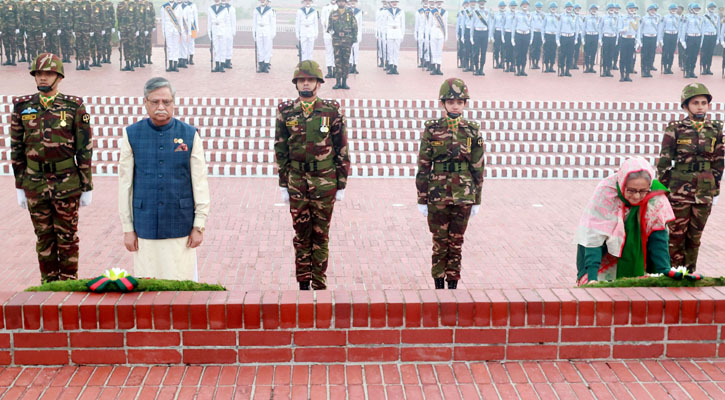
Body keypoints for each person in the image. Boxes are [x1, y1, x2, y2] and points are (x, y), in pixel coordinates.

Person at [11, 53, 93, 284]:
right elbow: (16, 149)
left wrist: (87, 185)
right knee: (44, 237)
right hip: (35, 182)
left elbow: (84, 149)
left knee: (67, 237)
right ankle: (48, 286)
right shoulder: (22, 106)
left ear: (59, 76)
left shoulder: (74, 107)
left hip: (66, 182)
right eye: (39, 73)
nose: (43, 78)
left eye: (48, 73)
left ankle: (68, 284)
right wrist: (20, 186)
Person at [118, 77, 210, 281]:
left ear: (173, 103)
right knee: (148, 286)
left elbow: (200, 182)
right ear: (145, 103)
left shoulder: (189, 134)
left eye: (166, 102)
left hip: (181, 224)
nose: (161, 107)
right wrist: (128, 229)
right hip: (145, 224)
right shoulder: (132, 134)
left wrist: (199, 225)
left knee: (181, 285)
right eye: (155, 102)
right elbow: (125, 185)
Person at [274, 60, 350, 290]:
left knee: (321, 234)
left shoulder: (331, 110)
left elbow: (342, 147)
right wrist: (284, 184)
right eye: (301, 80)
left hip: (324, 180)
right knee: (301, 233)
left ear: (318, 83)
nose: (306, 83)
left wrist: (341, 183)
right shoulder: (286, 111)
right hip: (297, 179)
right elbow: (281, 148)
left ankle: (319, 282)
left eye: (310, 80)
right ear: (296, 84)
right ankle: (303, 283)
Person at [416, 78, 484, 290]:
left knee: (456, 241)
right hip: (438, 193)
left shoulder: (472, 130)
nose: (455, 105)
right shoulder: (432, 129)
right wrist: (422, 198)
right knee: (439, 241)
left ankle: (453, 283)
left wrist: (477, 199)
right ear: (442, 103)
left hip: (464, 193)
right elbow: (424, 165)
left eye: (460, 101)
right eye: (451, 101)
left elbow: (478, 166)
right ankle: (438, 283)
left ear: (465, 104)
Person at [575, 157, 675, 286]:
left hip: (639, 255)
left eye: (642, 191)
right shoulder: (606, 192)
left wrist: (664, 271)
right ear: (622, 184)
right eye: (631, 191)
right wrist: (592, 278)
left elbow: (658, 237)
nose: (637, 196)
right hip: (605, 256)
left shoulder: (655, 197)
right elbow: (593, 236)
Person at [656, 83, 723, 273]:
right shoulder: (675, 128)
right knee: (676, 235)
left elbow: (719, 161)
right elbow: (664, 161)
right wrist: (664, 188)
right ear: (686, 106)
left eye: (704, 103)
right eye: (695, 103)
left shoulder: (715, 129)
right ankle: (672, 272)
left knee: (695, 236)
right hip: (679, 188)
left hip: (704, 189)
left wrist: (715, 188)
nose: (700, 106)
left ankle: (690, 272)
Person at [328, 0, 356, 89]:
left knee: (346, 61)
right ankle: (337, 82)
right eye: (339, 1)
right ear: (337, 3)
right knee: (337, 61)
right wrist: (333, 33)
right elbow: (329, 26)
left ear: (345, 3)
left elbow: (354, 26)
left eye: (343, 1)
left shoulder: (350, 13)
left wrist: (354, 39)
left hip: (347, 40)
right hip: (337, 40)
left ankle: (344, 82)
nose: (341, 3)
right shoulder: (333, 13)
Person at [679, 3, 703, 78]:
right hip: (690, 38)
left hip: (697, 38)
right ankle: (687, 71)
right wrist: (682, 41)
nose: (697, 10)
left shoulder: (701, 18)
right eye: (695, 9)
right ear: (692, 9)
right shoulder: (687, 18)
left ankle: (692, 71)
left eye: (698, 9)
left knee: (694, 56)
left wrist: (701, 41)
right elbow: (684, 29)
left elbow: (702, 29)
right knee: (688, 56)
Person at [617, 2, 638, 82]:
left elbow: (637, 31)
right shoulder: (622, 18)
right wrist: (623, 30)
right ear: (627, 9)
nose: (632, 10)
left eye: (633, 8)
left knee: (630, 58)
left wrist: (638, 41)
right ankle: (622, 75)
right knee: (623, 58)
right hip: (624, 39)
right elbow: (619, 29)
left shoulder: (636, 18)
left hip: (632, 40)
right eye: (630, 8)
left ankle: (627, 75)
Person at [253, 0, 276, 73]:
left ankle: (266, 65)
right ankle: (261, 65)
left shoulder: (270, 10)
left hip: (267, 30)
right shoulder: (256, 10)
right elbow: (254, 23)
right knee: (260, 48)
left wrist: (273, 33)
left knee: (267, 48)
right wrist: (254, 33)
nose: (262, 1)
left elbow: (273, 23)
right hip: (259, 29)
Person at [208, 0, 231, 72]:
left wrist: (227, 33)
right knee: (216, 48)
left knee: (223, 48)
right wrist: (209, 32)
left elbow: (227, 22)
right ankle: (217, 65)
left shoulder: (224, 9)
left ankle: (222, 65)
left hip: (222, 30)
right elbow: (209, 22)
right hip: (214, 30)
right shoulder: (210, 8)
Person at [637, 4, 659, 78]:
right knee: (645, 55)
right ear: (648, 10)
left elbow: (659, 29)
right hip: (646, 37)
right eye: (652, 10)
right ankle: (643, 70)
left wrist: (658, 40)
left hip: (653, 37)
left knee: (651, 54)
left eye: (654, 10)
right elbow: (640, 29)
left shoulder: (657, 18)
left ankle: (648, 70)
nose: (653, 11)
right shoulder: (643, 18)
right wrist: (639, 39)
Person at [658, 4, 680, 75]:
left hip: (674, 35)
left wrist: (678, 38)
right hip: (667, 35)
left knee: (671, 53)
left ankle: (669, 67)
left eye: (675, 9)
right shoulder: (665, 17)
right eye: (672, 9)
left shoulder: (678, 18)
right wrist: (660, 39)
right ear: (669, 10)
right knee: (665, 52)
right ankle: (665, 67)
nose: (673, 10)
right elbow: (661, 29)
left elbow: (680, 28)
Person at [161, 0, 183, 72]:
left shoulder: (178, 6)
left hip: (176, 28)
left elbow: (180, 20)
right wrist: (163, 31)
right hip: (168, 28)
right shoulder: (164, 7)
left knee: (176, 46)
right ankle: (170, 65)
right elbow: (163, 20)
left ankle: (175, 65)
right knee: (169, 47)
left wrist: (180, 30)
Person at [557, 2, 577, 77]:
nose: (569, 8)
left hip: (571, 37)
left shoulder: (574, 17)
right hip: (563, 37)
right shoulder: (561, 16)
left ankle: (567, 70)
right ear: (565, 8)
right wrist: (557, 39)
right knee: (562, 54)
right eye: (568, 7)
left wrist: (575, 38)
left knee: (570, 55)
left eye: (571, 7)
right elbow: (558, 28)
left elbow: (576, 28)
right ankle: (562, 70)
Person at [512, 0, 531, 76]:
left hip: (526, 35)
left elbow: (531, 27)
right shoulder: (517, 14)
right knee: (518, 53)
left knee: (524, 53)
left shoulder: (530, 15)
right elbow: (513, 26)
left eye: (526, 5)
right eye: (523, 4)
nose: (525, 6)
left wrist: (531, 38)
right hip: (518, 34)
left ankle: (523, 69)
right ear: (521, 6)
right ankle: (518, 70)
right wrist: (512, 38)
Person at [384, 0, 404, 74]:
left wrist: (402, 34)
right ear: (391, 3)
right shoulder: (387, 11)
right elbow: (385, 24)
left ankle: (395, 67)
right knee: (390, 50)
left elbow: (403, 24)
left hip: (398, 32)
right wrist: (385, 34)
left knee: (396, 51)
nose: (394, 3)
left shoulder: (401, 11)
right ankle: (391, 66)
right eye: (393, 2)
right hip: (390, 32)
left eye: (395, 2)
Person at [700, 2, 719, 75]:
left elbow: (718, 28)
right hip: (706, 36)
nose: (712, 9)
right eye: (711, 7)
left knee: (710, 53)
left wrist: (717, 38)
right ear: (708, 8)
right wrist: (701, 40)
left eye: (713, 7)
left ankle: (708, 68)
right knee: (704, 53)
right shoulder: (704, 16)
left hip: (713, 36)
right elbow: (702, 28)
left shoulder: (716, 16)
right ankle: (704, 68)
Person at [429, 0, 447, 75]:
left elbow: (445, 24)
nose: (439, 3)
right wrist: (429, 35)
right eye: (437, 2)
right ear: (435, 3)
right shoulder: (432, 12)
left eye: (440, 2)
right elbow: (429, 25)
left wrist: (445, 35)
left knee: (439, 51)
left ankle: (439, 68)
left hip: (441, 33)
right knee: (433, 51)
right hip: (433, 32)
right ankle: (433, 68)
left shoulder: (445, 12)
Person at [581, 4, 600, 74]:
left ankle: (592, 67)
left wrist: (599, 38)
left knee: (593, 52)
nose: (594, 10)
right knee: (587, 52)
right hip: (588, 36)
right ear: (590, 10)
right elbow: (583, 28)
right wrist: (582, 38)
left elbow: (600, 28)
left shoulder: (598, 18)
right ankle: (587, 67)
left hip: (595, 36)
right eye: (593, 9)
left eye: (595, 9)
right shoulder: (586, 18)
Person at [320, 0, 336, 78]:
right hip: (327, 33)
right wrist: (328, 27)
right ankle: (329, 70)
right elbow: (322, 19)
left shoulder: (339, 7)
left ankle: (335, 70)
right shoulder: (325, 8)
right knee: (329, 52)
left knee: (336, 52)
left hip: (336, 34)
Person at [542, 2, 558, 72]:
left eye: (554, 7)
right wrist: (543, 37)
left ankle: (551, 66)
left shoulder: (558, 17)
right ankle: (546, 67)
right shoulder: (546, 16)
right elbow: (543, 27)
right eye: (552, 7)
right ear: (549, 9)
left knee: (553, 52)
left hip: (554, 35)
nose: (553, 9)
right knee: (546, 52)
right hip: (547, 35)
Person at [348, 0, 362, 74]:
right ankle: (350, 65)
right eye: (351, 1)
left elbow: (360, 25)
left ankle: (355, 66)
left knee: (356, 50)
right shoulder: (346, 11)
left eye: (354, 1)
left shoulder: (359, 12)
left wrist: (359, 35)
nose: (353, 2)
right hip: (349, 33)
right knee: (349, 50)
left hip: (356, 33)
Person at [529, 1, 544, 69]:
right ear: (536, 7)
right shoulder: (532, 14)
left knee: (538, 49)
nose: (539, 8)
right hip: (534, 33)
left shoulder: (543, 15)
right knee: (533, 48)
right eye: (538, 7)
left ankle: (537, 63)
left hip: (540, 33)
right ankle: (533, 63)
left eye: (540, 7)